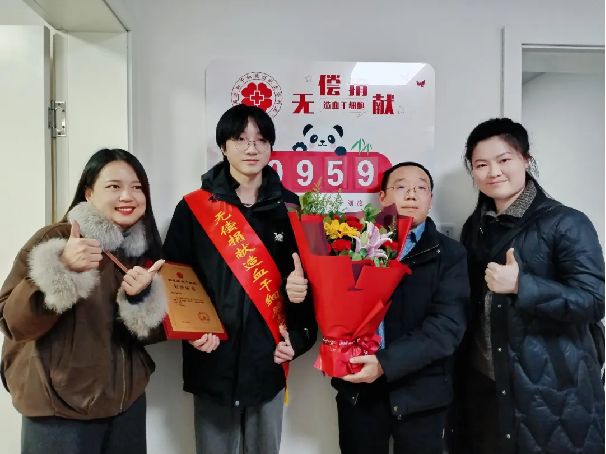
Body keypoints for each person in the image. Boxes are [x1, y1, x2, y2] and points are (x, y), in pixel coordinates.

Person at [162, 104, 317, 454]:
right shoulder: (193, 208)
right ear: (223, 146)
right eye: (240, 139)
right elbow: (173, 278)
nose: (251, 148)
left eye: (261, 140)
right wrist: (192, 330)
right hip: (212, 357)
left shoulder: (293, 209)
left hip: (269, 360)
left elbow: (313, 283)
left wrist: (298, 338)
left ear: (271, 147)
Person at [452, 118, 605, 454]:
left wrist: (523, 286)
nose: (493, 172)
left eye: (504, 159)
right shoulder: (475, 227)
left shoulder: (567, 222)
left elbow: (594, 301)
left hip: (551, 388)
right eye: (481, 164)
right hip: (486, 384)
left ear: (525, 160)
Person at [0, 149, 168, 454]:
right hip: (57, 407)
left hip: (125, 402)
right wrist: (62, 268)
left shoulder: (140, 251)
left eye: (137, 187)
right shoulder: (58, 239)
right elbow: (12, 322)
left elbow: (148, 335)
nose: (127, 196)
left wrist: (140, 298)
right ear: (89, 193)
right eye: (114, 186)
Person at [328, 162, 470, 454]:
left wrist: (385, 363)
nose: (411, 194)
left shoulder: (451, 254)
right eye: (401, 186)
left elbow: (446, 326)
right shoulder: (352, 246)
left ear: (430, 199)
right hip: (360, 391)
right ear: (382, 197)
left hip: (423, 396)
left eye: (421, 188)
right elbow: (331, 304)